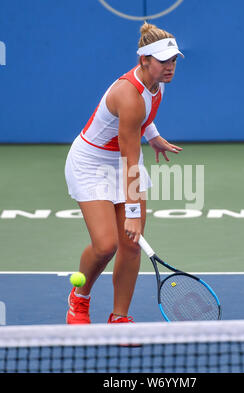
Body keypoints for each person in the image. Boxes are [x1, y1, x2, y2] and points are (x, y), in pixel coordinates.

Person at [65, 22, 184, 324]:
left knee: (131, 246)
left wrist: (153, 135)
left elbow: (143, 116)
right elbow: (130, 156)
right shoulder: (127, 94)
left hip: (123, 162)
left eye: (173, 60)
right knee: (107, 245)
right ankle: (79, 299)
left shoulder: (158, 83)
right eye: (163, 61)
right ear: (144, 60)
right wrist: (131, 210)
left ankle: (119, 317)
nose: (170, 67)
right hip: (92, 164)